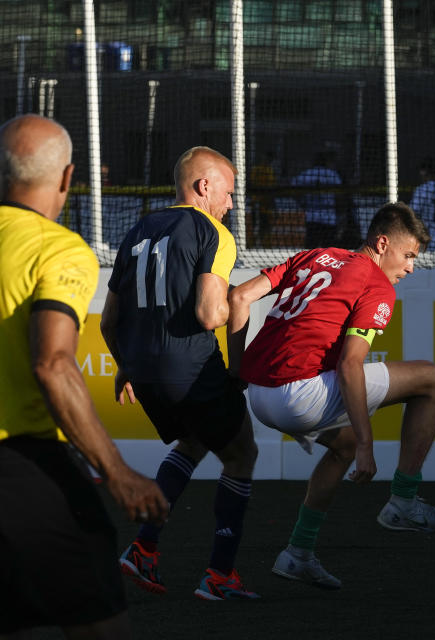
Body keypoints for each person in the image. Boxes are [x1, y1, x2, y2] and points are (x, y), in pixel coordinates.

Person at [0, 114, 168, 639]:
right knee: (100, 624)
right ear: (69, 178)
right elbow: (53, 364)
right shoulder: (57, 247)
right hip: (21, 463)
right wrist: (117, 471)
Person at [226, 202, 435, 589]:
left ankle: (298, 553)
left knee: (341, 446)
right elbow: (349, 365)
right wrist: (368, 443)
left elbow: (240, 297)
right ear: (382, 244)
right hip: (298, 395)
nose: (411, 267)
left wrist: (235, 372)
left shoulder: (315, 255)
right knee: (432, 379)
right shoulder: (376, 285)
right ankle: (404, 500)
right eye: (408, 255)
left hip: (259, 395)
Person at [101, 146, 260, 600]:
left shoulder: (137, 229)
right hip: (190, 367)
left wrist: (127, 366)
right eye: (228, 193)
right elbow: (211, 315)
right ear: (204, 186)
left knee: (192, 441)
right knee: (242, 454)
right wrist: (239, 320)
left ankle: (143, 550)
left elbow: (109, 322)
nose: (230, 204)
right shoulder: (212, 231)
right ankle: (220, 576)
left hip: (146, 372)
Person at [290, 152, 344, 249]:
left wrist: (302, 203)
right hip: (329, 220)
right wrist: (340, 214)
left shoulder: (307, 174)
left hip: (312, 219)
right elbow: (339, 197)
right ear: (326, 162)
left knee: (310, 251)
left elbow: (293, 190)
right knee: (330, 252)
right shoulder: (332, 175)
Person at [249, 151, 277, 247]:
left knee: (265, 227)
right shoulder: (257, 170)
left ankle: (263, 245)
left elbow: (271, 188)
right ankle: (255, 244)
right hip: (258, 205)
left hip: (266, 205)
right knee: (257, 227)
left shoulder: (270, 170)